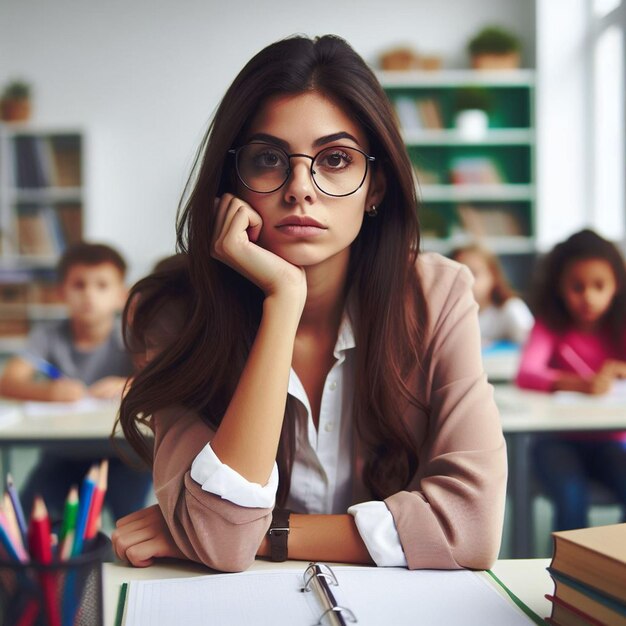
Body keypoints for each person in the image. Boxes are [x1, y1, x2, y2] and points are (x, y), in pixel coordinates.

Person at [111, 34, 506, 573]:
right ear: (233, 183)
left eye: (336, 159)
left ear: (376, 188)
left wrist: (269, 532)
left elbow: (470, 529)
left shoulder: (438, 294)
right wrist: (284, 297)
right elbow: (221, 543)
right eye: (270, 158)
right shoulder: (172, 313)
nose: (301, 187)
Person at [0, 242, 153, 520]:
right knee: (26, 518)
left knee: (131, 522)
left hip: (125, 454)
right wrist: (48, 392)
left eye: (102, 286)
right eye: (79, 285)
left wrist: (128, 384)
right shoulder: (47, 335)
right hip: (64, 454)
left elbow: (162, 378)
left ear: (122, 295)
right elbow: (7, 381)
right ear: (61, 293)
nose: (89, 295)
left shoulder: (134, 335)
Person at [516, 228, 626, 530]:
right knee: (571, 494)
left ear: (616, 285)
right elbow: (527, 373)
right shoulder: (550, 325)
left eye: (599, 286)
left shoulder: (619, 324)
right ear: (559, 287)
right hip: (556, 441)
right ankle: (570, 569)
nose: (588, 297)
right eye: (577, 287)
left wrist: (619, 370)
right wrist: (578, 384)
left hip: (612, 442)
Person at [451, 244, 533, 346]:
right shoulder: (451, 316)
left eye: (474, 273)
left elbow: (532, 344)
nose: (467, 281)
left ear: (493, 276)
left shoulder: (510, 308)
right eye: (458, 276)